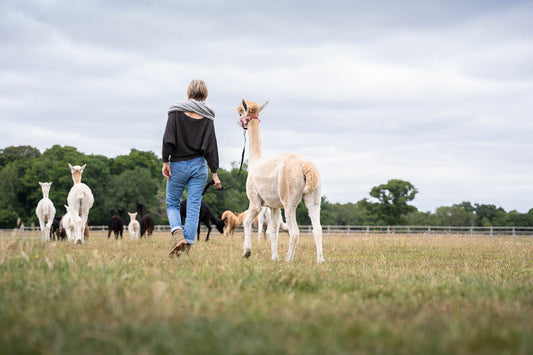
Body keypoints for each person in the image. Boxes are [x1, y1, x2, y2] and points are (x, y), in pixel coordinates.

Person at [162, 79, 221, 257]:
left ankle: (177, 234)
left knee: (172, 203)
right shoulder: (208, 116)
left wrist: (166, 161)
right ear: (205, 95)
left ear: (188, 93)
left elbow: (168, 139)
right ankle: (186, 245)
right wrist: (215, 173)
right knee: (194, 206)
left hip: (177, 164)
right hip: (199, 166)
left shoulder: (175, 113)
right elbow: (211, 147)